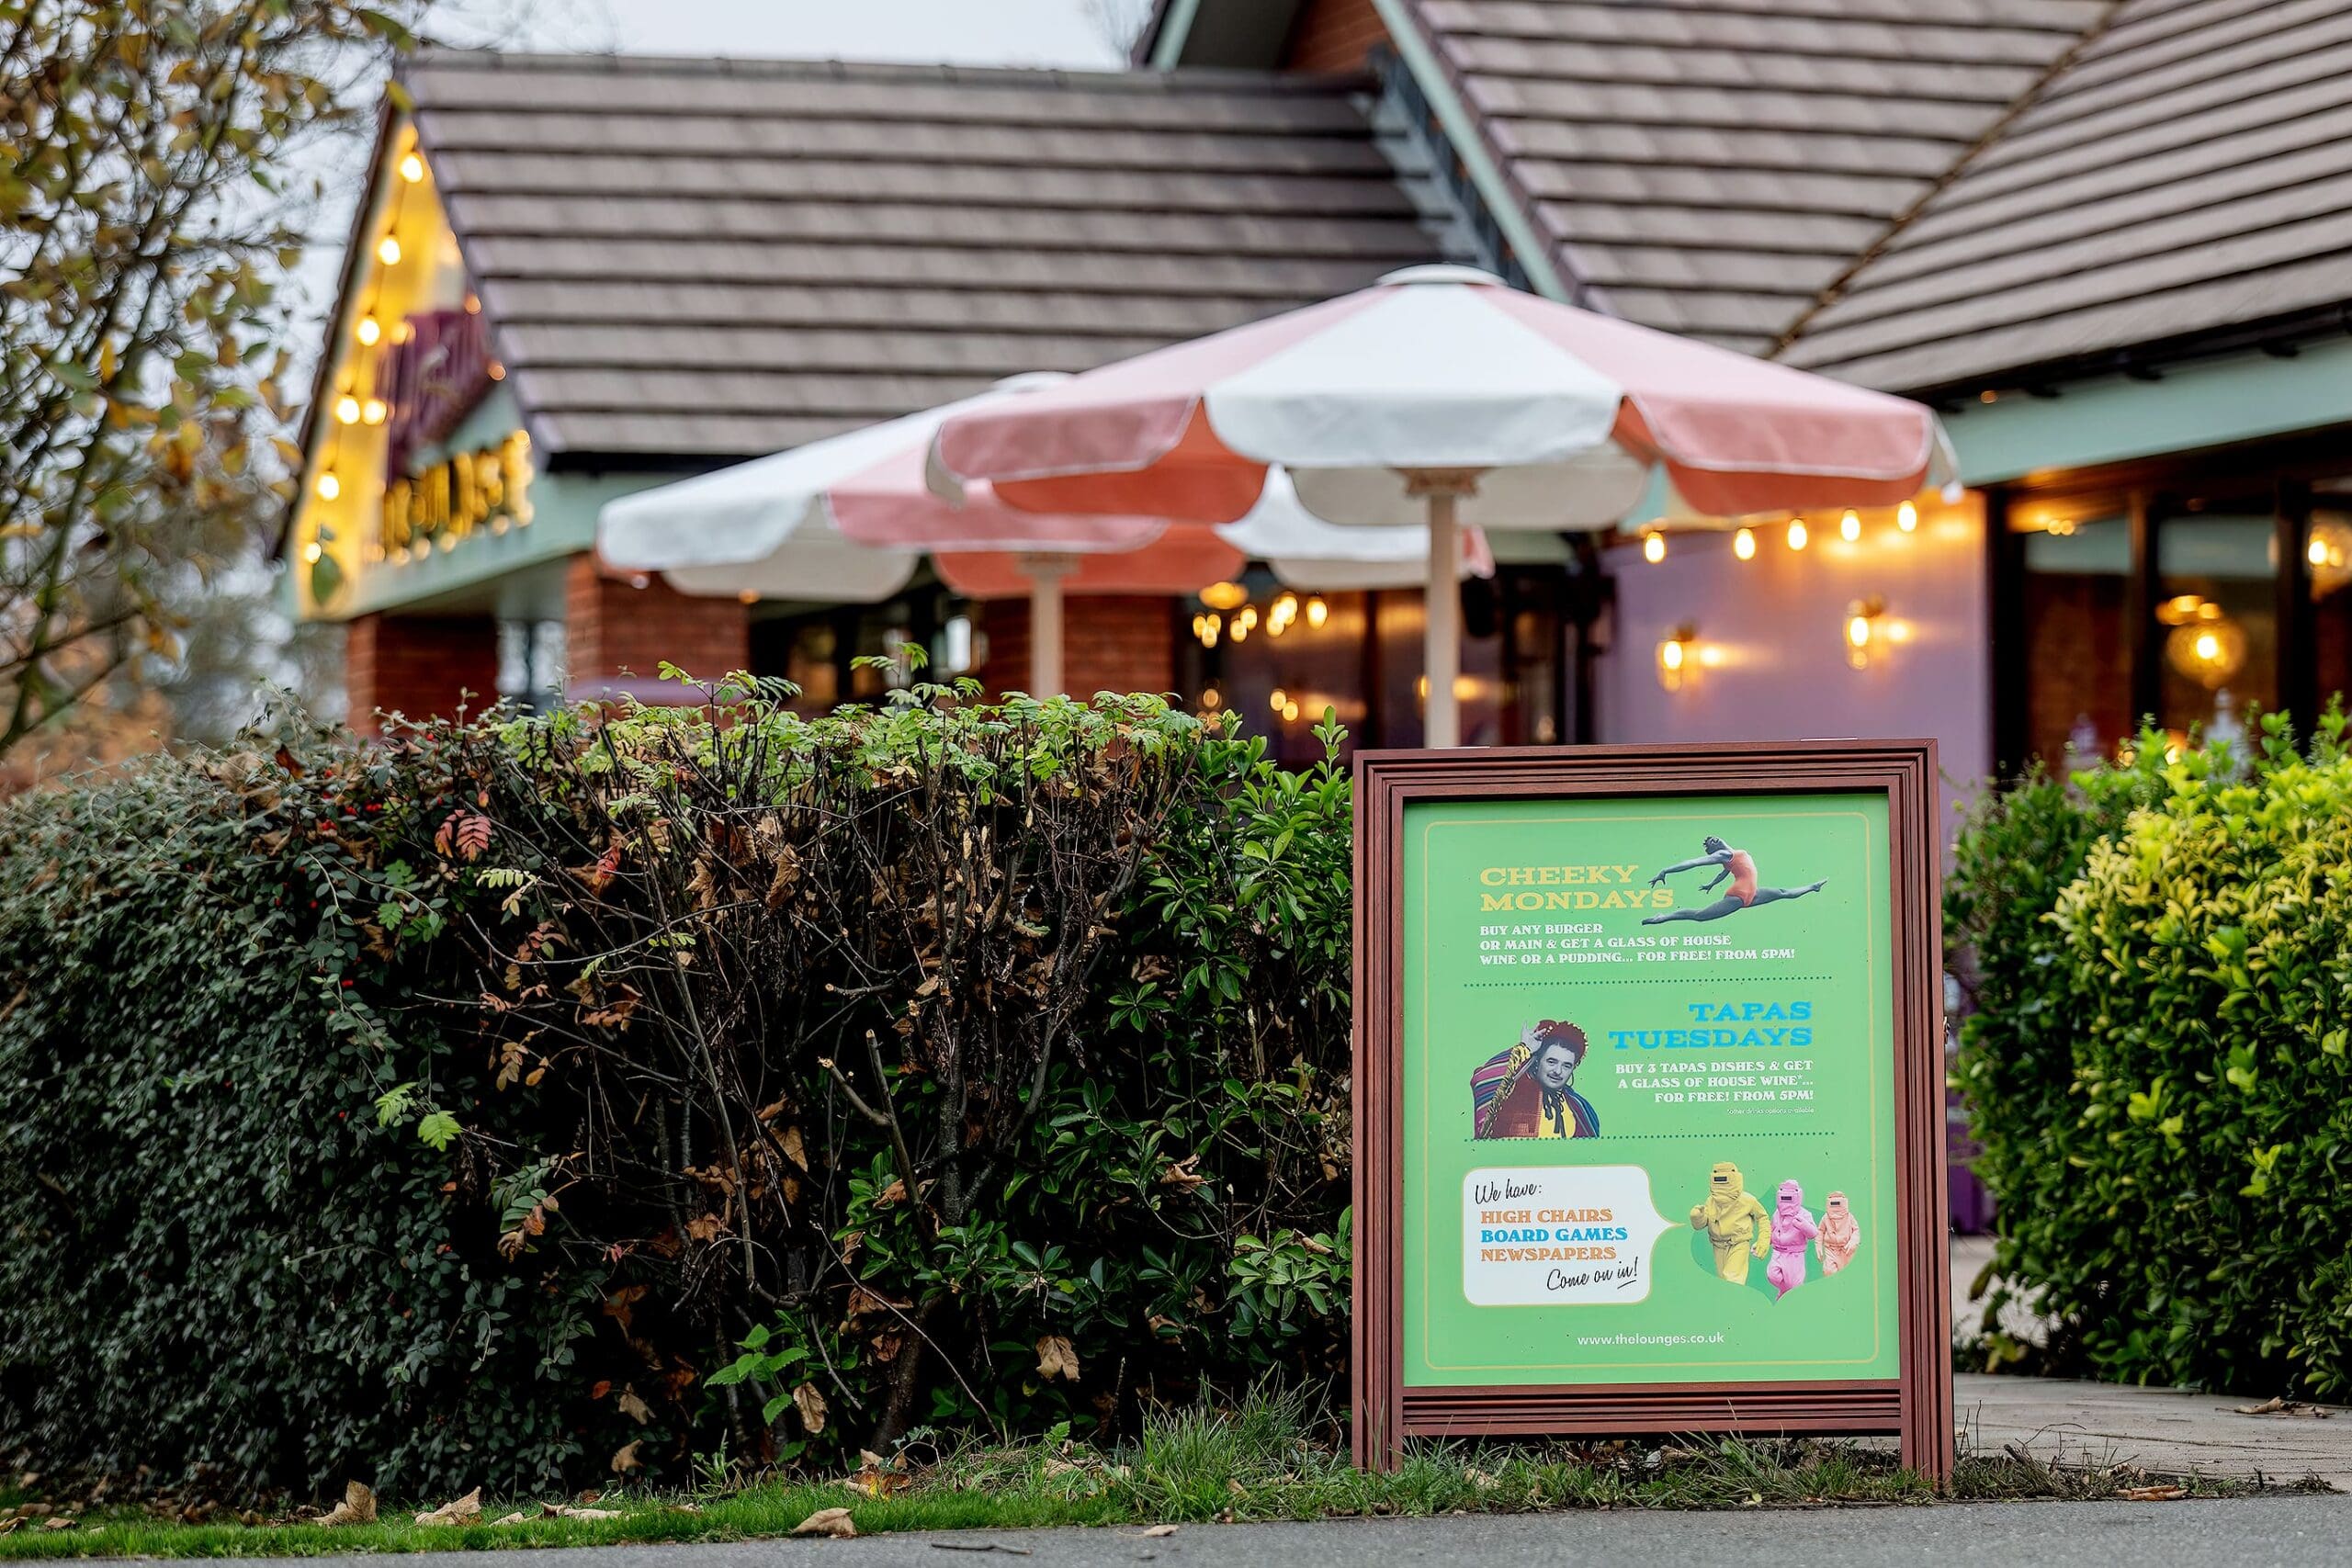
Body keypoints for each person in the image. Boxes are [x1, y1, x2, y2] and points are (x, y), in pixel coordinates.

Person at [1642, 835, 1826, 925]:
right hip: (1738, 895)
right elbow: (1693, 862)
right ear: (1713, 852)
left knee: (1783, 893)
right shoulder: (1723, 854)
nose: (1710, 840)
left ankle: (1813, 887)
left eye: (1710, 840)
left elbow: (1724, 873)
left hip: (1752, 894)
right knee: (1700, 916)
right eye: (1708, 844)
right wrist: (1665, 870)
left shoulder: (1732, 856)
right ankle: (1664, 917)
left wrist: (1711, 884)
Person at [1472, 1021, 1600, 1139]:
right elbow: (1482, 1079)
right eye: (1551, 1062)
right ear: (1537, 1061)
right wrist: (1524, 1048)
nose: (1558, 1071)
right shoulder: (1512, 1092)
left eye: (1566, 1065)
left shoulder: (1581, 1108)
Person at [1690, 1161, 1769, 1283]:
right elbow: (1702, 1224)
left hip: (1738, 1244)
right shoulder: (1711, 1201)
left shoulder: (1747, 1200)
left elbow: (1763, 1218)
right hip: (1718, 1246)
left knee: (1733, 1278)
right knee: (1724, 1281)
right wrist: (1697, 1217)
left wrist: (1763, 1240)